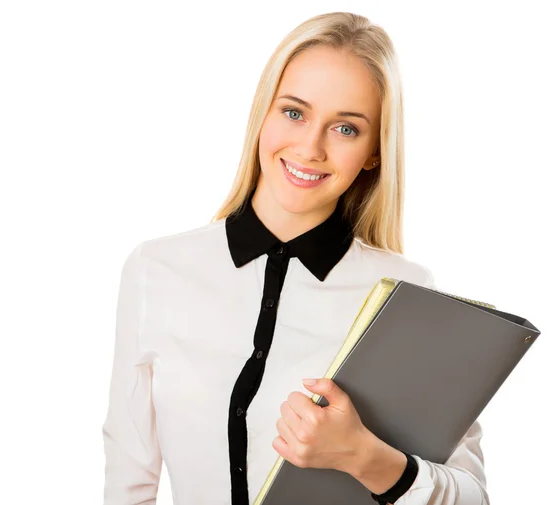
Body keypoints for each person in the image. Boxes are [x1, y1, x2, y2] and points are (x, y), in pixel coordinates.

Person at [102, 11, 489, 505]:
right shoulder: (156, 270)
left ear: (374, 150)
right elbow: (127, 481)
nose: (309, 147)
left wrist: (362, 456)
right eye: (293, 112)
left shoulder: (405, 293)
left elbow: (471, 496)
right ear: (262, 113)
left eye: (346, 128)